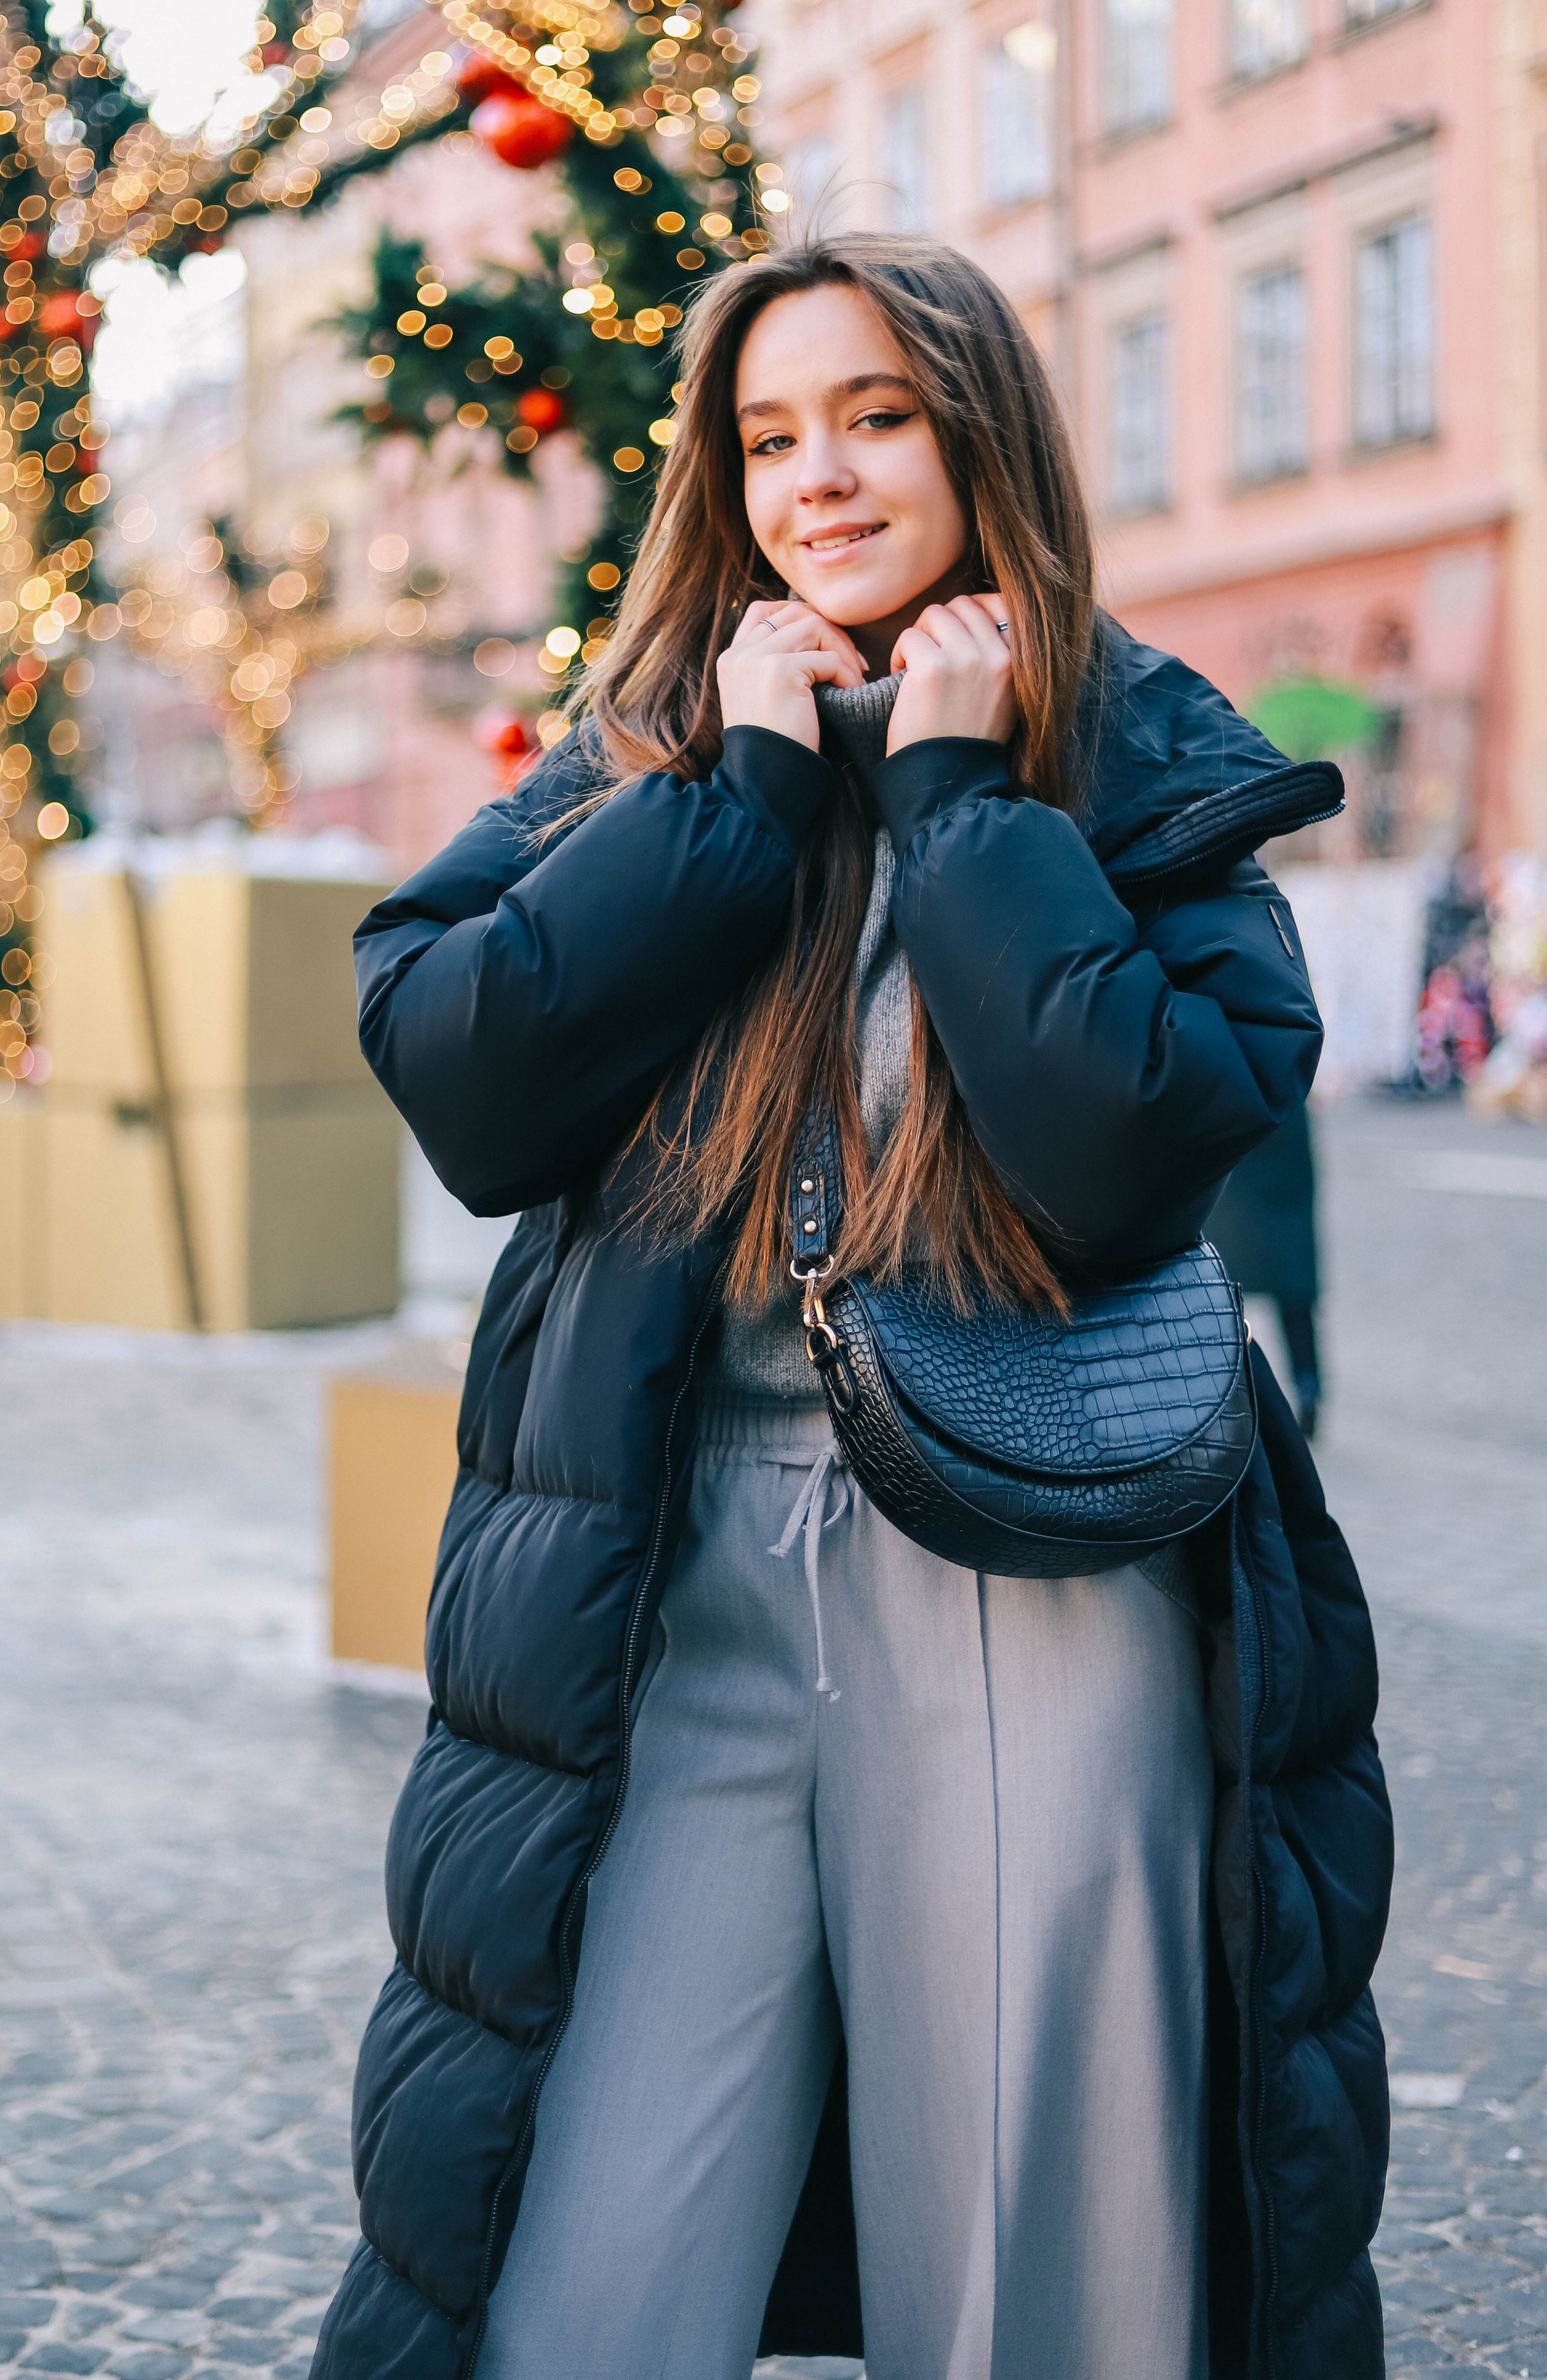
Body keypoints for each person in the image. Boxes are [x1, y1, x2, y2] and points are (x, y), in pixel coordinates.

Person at [324, 239, 1392, 2380]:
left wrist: (958, 794)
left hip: (1028, 1562)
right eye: (769, 431)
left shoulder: (1136, 755)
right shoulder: (649, 747)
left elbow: (1125, 1154)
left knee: (1039, 2271)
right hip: (662, 1573)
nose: (817, 471)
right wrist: (743, 798)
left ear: (978, 430)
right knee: (582, 2255)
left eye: (876, 413)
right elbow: (458, 1065)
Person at [1208, 1096, 1324, 1436]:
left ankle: (1225, 1397)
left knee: (1225, 1289)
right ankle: (1308, 1387)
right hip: (1282, 1137)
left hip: (1240, 1137)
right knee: (1294, 1286)